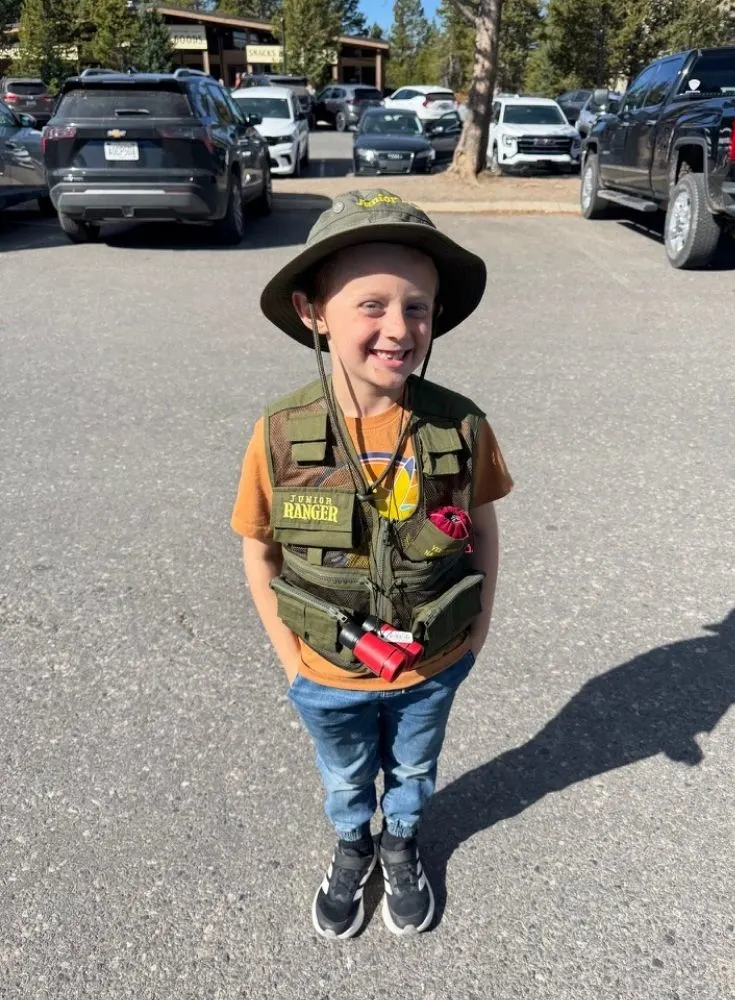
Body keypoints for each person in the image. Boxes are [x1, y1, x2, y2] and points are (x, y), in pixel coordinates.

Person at [231, 189, 512, 939]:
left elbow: (482, 529)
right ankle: (354, 840)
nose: (399, 328)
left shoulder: (460, 424)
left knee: (414, 772)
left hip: (435, 664)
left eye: (416, 307)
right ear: (312, 310)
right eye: (372, 306)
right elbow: (258, 549)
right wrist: (289, 658)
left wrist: (474, 639)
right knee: (348, 775)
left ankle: (401, 841)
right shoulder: (279, 434)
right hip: (324, 675)